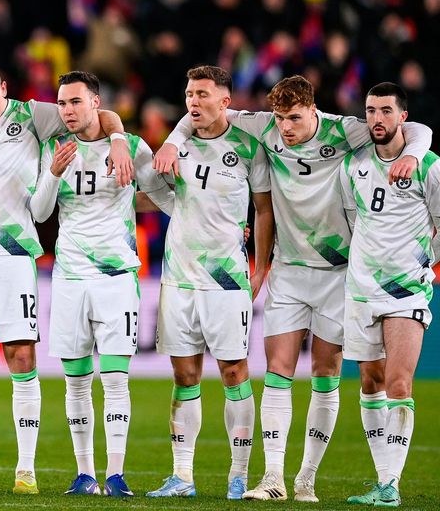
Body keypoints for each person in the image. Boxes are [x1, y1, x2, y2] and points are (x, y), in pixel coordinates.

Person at [154, 75, 432, 502]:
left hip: (338, 274)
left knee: (326, 373)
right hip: (288, 270)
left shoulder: (344, 129)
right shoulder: (263, 127)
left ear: (313, 110)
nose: (286, 128)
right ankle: (273, 479)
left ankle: (306, 480)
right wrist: (173, 139)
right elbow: (205, 113)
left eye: (295, 119)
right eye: (281, 118)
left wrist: (413, 154)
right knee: (278, 372)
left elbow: (410, 129)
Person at [0, 61, 132, 494]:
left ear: (4, 89)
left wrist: (119, 139)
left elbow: (95, 113)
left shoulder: (33, 115)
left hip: (13, 256)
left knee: (20, 357)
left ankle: (26, 472)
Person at [29, 71, 173, 497]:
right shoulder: (54, 148)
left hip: (115, 278)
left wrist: (197, 220)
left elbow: (164, 196)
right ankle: (85, 474)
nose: (67, 111)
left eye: (75, 102)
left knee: (114, 380)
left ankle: (116, 475)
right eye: (62, 104)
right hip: (71, 277)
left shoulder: (128, 146)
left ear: (96, 103)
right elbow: (39, 214)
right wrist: (53, 174)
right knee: (75, 381)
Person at [146, 65, 274, 500]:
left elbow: (264, 210)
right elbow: (155, 195)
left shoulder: (247, 145)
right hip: (179, 279)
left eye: (202, 94)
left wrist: (260, 267)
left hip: (226, 280)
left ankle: (238, 475)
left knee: (234, 372)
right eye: (188, 94)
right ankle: (182, 476)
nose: (193, 102)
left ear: (225, 100)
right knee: (184, 376)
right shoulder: (174, 147)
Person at [339, 82, 439, 507]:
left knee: (399, 382)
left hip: (406, 292)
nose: (376, 119)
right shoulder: (354, 164)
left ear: (403, 118)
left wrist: (431, 269)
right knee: (370, 381)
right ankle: (382, 478)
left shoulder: (428, 164)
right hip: (361, 290)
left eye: (385, 111)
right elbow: (350, 218)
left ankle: (391, 486)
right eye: (370, 111)